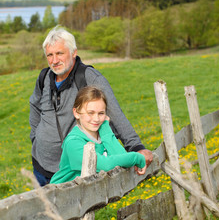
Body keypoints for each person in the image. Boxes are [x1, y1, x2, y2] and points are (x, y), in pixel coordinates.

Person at [29, 26, 153, 186]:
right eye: (50, 55)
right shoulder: (44, 77)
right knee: (45, 210)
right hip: (41, 165)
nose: (54, 60)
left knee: (74, 210)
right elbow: (35, 107)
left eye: (60, 53)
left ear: (73, 52)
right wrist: (36, 138)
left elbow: (114, 113)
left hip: (74, 169)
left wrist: (136, 146)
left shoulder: (89, 77)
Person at [50, 86, 146, 184]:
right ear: (76, 113)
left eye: (101, 113)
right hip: (60, 195)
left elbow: (122, 156)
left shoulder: (103, 134)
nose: (96, 119)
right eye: (90, 113)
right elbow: (105, 165)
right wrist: (136, 157)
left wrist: (106, 130)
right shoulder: (73, 142)